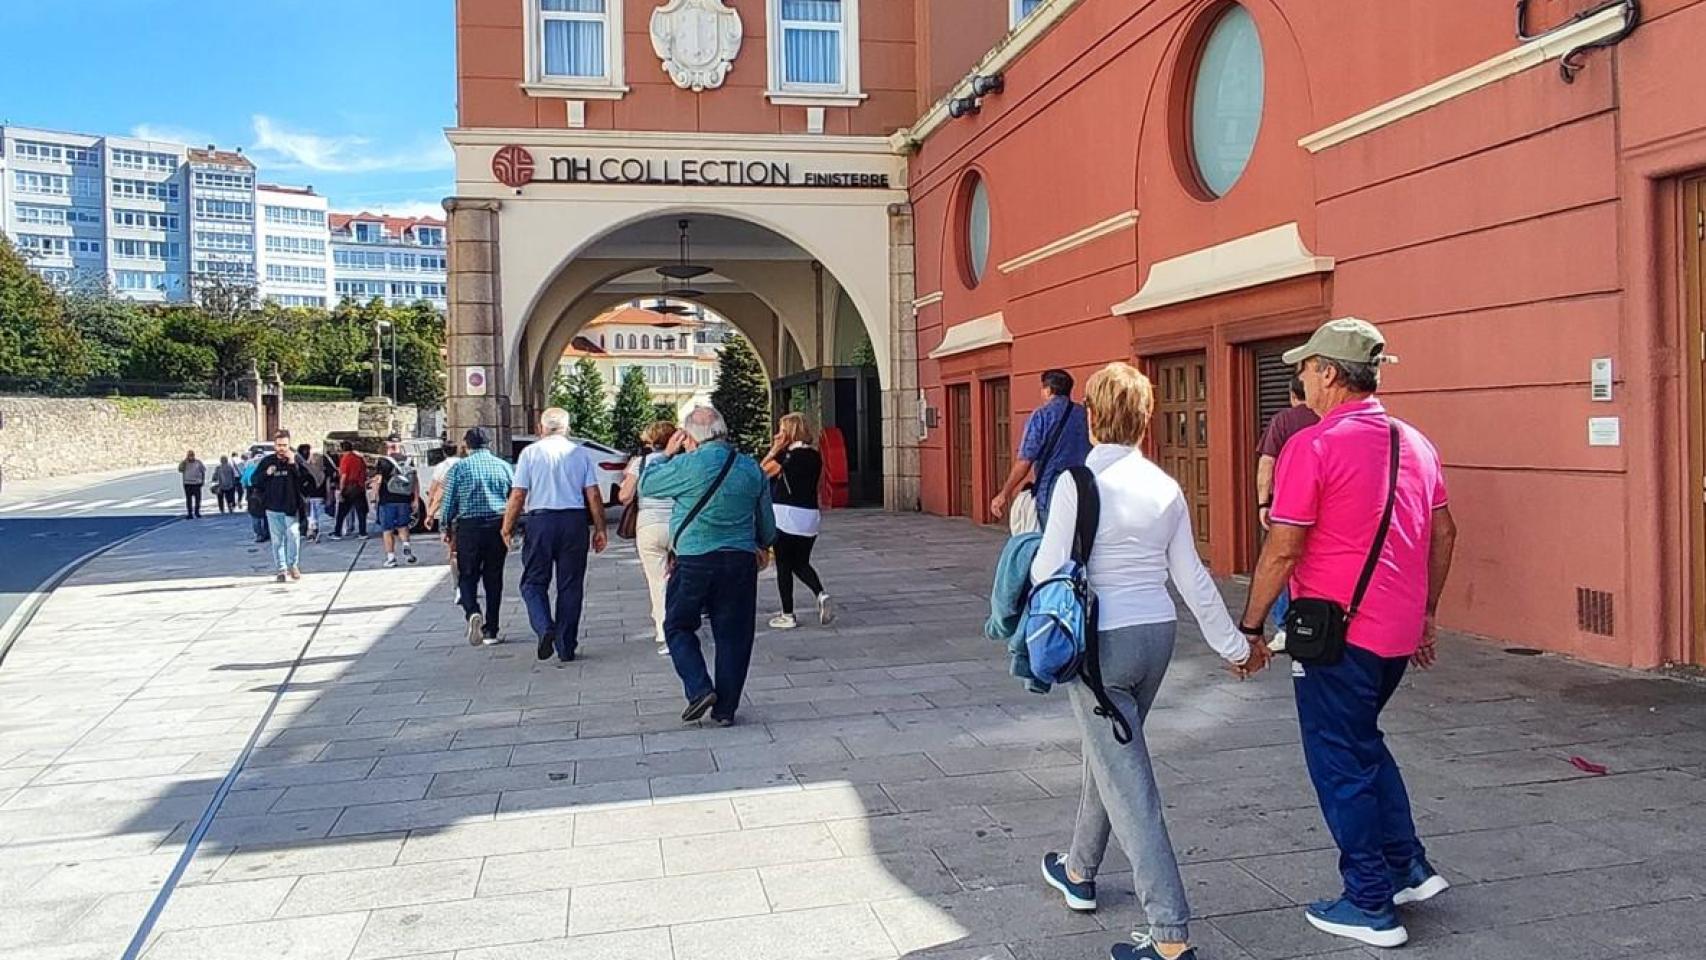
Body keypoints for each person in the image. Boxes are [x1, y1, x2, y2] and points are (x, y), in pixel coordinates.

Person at [1235, 318, 1457, 950]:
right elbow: (1444, 535)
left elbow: (1283, 549)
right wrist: (1427, 613)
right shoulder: (1415, 442)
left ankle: (1369, 902)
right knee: (1364, 742)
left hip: (1335, 635)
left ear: (1329, 373)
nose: (1299, 377)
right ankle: (1407, 866)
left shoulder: (1314, 446)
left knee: (1339, 760)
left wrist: (1252, 627)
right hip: (1395, 633)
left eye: (1305, 367)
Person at [1028, 362, 1261, 960]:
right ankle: (1078, 870)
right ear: (1145, 419)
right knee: (1113, 753)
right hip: (1157, 635)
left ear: (1094, 416)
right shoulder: (1165, 486)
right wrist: (1233, 646)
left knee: (1131, 782)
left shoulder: (1078, 484)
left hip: (1099, 642)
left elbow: (1046, 568)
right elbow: (1193, 578)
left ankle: (1170, 934)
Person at [640, 405, 776, 727]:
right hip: (740, 561)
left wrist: (667, 453)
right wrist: (759, 543)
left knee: (677, 625)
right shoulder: (750, 468)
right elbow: (768, 528)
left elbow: (647, 485)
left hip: (694, 560)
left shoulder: (687, 465)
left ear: (688, 436)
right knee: (734, 635)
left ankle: (699, 687)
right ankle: (726, 709)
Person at [501, 408, 609, 663]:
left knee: (533, 581)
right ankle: (566, 645)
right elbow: (593, 493)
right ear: (567, 428)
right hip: (573, 521)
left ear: (540, 428)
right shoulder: (579, 453)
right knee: (570, 585)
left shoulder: (530, 453)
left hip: (541, 521)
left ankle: (543, 626)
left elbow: (518, 495)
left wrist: (507, 527)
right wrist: (600, 528)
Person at [1256, 376, 1320, 646]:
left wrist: (1263, 502)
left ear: (1293, 395)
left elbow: (1266, 464)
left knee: (1283, 559)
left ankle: (1285, 625)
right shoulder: (1329, 419)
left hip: (1288, 506)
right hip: (1324, 506)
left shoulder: (1283, 420)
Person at [439, 428, 514, 647]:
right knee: (493, 577)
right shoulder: (503, 466)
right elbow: (514, 496)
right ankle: (492, 629)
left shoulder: (459, 468)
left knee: (467, 575)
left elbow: (449, 502)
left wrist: (445, 527)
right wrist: (511, 526)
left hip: (469, 528)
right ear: (489, 443)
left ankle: (472, 610)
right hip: (497, 525)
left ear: (466, 445)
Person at [759, 412, 833, 630]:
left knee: (783, 564)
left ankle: (787, 614)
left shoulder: (786, 457)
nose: (777, 435)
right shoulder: (814, 455)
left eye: (782, 431)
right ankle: (821, 593)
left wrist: (774, 450)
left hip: (786, 515)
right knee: (800, 562)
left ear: (790, 433)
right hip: (810, 516)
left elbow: (760, 473)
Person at [991, 369, 1092, 527]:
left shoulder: (1042, 415)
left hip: (1052, 488)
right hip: (1084, 487)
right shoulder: (1084, 415)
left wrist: (1004, 493)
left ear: (1048, 390)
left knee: (1053, 542)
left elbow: (1025, 461)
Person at [617, 420, 678, 654]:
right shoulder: (681, 461)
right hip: (679, 524)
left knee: (657, 580)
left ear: (650, 441)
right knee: (683, 576)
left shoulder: (640, 463)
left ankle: (664, 632)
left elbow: (624, 496)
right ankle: (685, 620)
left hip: (649, 525)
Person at [254, 430, 313, 582]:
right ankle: (281, 569)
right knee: (277, 540)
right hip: (272, 507)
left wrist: (293, 464)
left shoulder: (295, 460)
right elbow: (255, 481)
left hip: (291, 506)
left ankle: (293, 564)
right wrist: (266, 473)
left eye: (285, 445)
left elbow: (306, 481)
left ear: (289, 445)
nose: (282, 448)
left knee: (293, 535)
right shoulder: (267, 462)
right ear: (274, 446)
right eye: (279, 445)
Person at [370, 433, 419, 567]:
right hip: (404, 499)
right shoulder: (408, 460)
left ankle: (391, 558)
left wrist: (374, 498)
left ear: (387, 444)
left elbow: (378, 480)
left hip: (387, 499)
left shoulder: (383, 461)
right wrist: (415, 499)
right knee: (403, 526)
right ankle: (406, 547)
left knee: (387, 530)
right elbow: (414, 480)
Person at [331, 440, 369, 540]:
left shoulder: (345, 459)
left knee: (341, 512)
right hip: (360, 487)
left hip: (349, 487)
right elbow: (365, 472)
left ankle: (337, 532)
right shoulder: (359, 458)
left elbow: (344, 475)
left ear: (342, 449)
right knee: (361, 512)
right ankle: (362, 532)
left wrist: (341, 490)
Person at [298, 442, 332, 543]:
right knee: (319, 515)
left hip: (310, 496)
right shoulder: (323, 473)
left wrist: (304, 495)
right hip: (320, 496)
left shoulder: (309, 470)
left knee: (311, 516)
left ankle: (312, 533)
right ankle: (318, 533)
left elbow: (304, 483)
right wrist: (329, 496)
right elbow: (327, 485)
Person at [241, 453, 269, 543]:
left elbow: (243, 482)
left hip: (252, 494)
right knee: (266, 515)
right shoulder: (266, 470)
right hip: (265, 494)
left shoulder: (249, 469)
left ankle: (259, 534)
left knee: (255, 516)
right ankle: (266, 533)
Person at [177, 450, 206, 519]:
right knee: (189, 499)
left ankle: (197, 512)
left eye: (192, 455)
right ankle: (189, 513)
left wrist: (202, 481)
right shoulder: (185, 463)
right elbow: (180, 469)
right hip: (187, 483)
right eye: (189, 455)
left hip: (196, 483)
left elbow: (203, 471)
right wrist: (184, 461)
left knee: (198, 498)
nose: (191, 457)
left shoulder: (198, 462)